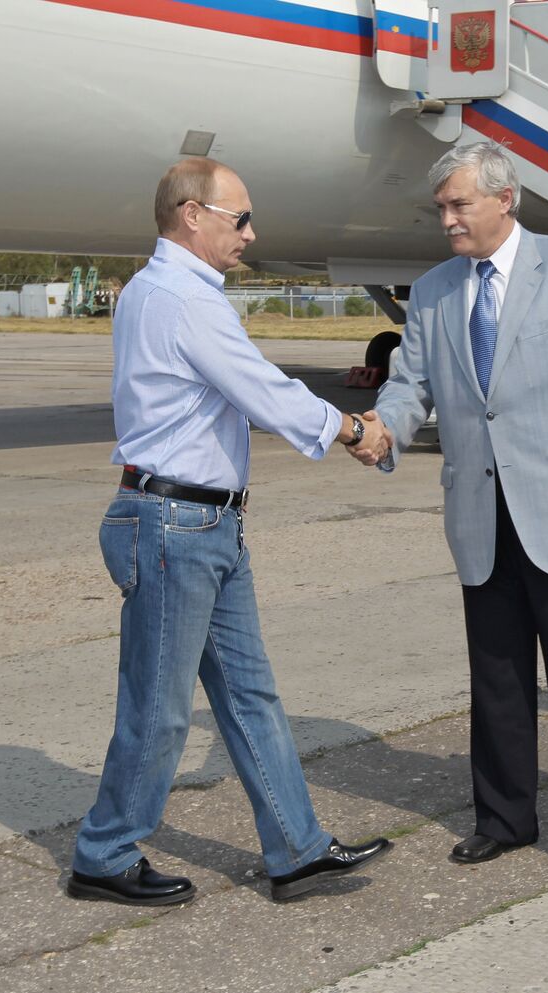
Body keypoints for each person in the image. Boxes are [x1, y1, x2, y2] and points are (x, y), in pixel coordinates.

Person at [69, 158, 390, 907]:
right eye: (238, 218)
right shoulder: (182, 298)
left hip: (203, 521)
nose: (251, 233)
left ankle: (297, 847)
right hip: (176, 524)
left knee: (249, 695)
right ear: (191, 214)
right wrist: (350, 427)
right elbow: (258, 387)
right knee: (159, 706)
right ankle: (103, 851)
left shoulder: (164, 291)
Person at [351, 142, 548, 869]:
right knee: (499, 676)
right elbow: (408, 385)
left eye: (460, 205)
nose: (447, 219)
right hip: (480, 512)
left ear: (504, 199)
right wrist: (382, 432)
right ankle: (505, 817)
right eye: (442, 207)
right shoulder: (437, 289)